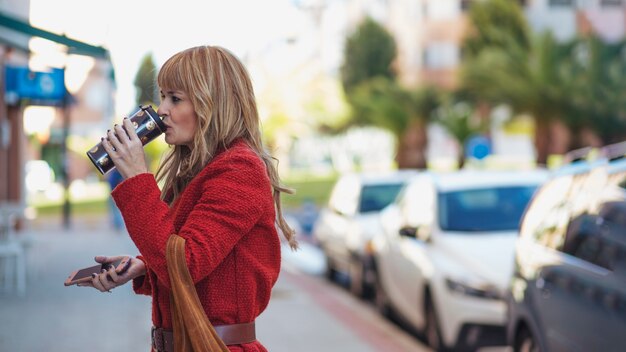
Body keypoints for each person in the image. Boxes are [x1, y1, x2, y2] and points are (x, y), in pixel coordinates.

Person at [74, 45, 298, 352]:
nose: (161, 109)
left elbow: (187, 265)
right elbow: (196, 261)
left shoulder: (239, 169)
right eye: (163, 96)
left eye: (175, 98)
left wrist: (138, 179)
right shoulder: (201, 170)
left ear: (212, 104)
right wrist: (143, 268)